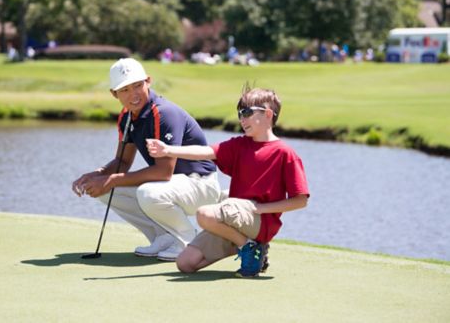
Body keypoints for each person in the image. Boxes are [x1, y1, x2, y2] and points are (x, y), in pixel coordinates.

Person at [146, 86, 309, 277]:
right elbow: (206, 152)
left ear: (268, 114)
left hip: (259, 221)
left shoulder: (285, 153)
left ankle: (249, 248)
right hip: (235, 220)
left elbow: (300, 200)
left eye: (247, 112)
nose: (242, 119)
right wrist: (168, 150)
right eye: (240, 114)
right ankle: (252, 249)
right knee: (185, 263)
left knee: (205, 214)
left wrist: (260, 209)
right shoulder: (239, 145)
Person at [72, 58, 221, 261]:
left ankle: (187, 241)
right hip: (174, 187)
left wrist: (110, 179)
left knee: (146, 192)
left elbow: (163, 172)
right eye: (124, 90)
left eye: (137, 85)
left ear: (148, 81)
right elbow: (122, 162)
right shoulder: (126, 117)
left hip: (200, 184)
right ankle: (164, 237)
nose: (133, 94)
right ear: (114, 94)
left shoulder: (163, 113)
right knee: (106, 192)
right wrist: (96, 175)